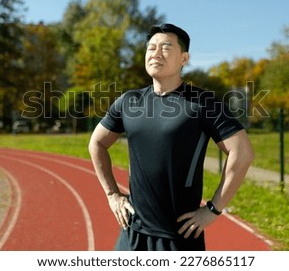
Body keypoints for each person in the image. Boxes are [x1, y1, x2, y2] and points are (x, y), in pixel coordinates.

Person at [88, 23, 254, 251]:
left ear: (184, 59)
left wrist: (213, 209)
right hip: (132, 231)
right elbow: (96, 143)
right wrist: (112, 194)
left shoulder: (203, 102)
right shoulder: (129, 101)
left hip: (178, 236)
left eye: (165, 48)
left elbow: (242, 152)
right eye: (151, 48)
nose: (155, 53)